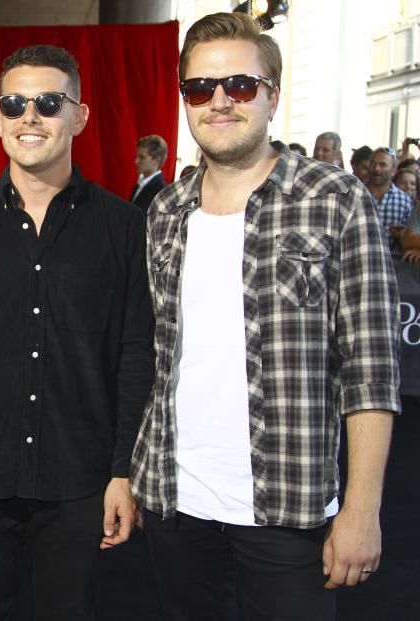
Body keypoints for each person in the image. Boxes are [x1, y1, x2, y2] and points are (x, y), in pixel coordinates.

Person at [131, 13, 400, 621]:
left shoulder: (335, 198)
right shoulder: (165, 209)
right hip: (175, 498)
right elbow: (152, 354)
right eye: (200, 88)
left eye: (241, 86)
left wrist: (361, 510)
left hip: (290, 501)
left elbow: (372, 371)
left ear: (272, 95)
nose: (219, 101)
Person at [0, 44, 154, 619]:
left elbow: (133, 355)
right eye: (14, 103)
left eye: (49, 103)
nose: (30, 116)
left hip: (80, 476)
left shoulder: (123, 226)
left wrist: (123, 470)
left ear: (79, 115)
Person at [366, 146, 413, 251]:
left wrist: (402, 233)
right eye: (373, 163)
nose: (376, 169)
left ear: (394, 171)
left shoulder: (404, 201)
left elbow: (411, 237)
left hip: (393, 263)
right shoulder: (355, 195)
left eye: (382, 165)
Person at [131, 134, 168, 212]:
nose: (136, 161)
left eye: (142, 157)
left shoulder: (162, 192)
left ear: (156, 160)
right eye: (137, 156)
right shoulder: (138, 186)